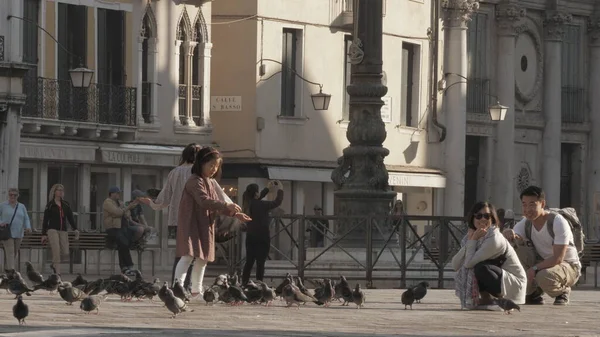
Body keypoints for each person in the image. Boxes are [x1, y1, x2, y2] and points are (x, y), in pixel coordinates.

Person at [139, 143, 241, 290]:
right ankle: (187, 286)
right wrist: (233, 210)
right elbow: (220, 197)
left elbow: (165, 197)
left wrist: (153, 204)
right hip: (198, 218)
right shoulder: (201, 177)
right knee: (194, 254)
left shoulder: (176, 172)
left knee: (183, 253)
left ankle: (181, 286)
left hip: (177, 218)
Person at [173, 147, 250, 298]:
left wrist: (235, 214)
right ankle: (177, 288)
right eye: (211, 165)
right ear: (201, 163)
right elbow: (205, 201)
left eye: (216, 166)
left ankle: (196, 291)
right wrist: (227, 206)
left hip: (205, 224)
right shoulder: (194, 181)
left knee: (203, 258)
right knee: (188, 255)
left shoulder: (210, 182)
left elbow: (217, 204)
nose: (214, 169)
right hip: (191, 223)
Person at [503, 186, 581, 305]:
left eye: (532, 204)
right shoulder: (526, 223)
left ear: (542, 204)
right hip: (542, 264)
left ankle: (562, 291)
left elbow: (558, 258)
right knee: (515, 248)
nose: (527, 209)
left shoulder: (557, 222)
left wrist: (533, 269)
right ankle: (534, 293)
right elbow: (514, 237)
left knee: (544, 276)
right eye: (524, 204)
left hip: (567, 266)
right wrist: (508, 233)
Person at [452, 201, 526, 310]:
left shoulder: (495, 238)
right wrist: (470, 241)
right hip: (501, 279)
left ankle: (500, 300)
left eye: (487, 216)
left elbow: (468, 263)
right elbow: (455, 264)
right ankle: (487, 298)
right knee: (477, 266)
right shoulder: (473, 237)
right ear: (472, 218)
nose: (483, 219)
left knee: (480, 268)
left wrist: (472, 241)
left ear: (492, 219)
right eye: (478, 216)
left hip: (514, 285)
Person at [241, 180, 284, 285]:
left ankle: (244, 283)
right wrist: (280, 190)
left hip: (250, 236)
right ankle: (259, 284)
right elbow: (276, 202)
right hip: (262, 237)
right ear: (256, 193)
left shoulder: (248, 203)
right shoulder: (261, 205)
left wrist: (267, 189)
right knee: (260, 263)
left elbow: (256, 200)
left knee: (249, 262)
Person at [41, 184, 79, 273]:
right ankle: (58, 273)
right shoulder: (50, 205)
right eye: (59, 190)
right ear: (54, 192)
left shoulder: (66, 204)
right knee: (56, 250)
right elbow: (46, 220)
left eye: (62, 190)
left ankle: (54, 264)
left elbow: (70, 217)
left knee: (65, 252)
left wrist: (75, 228)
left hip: (63, 230)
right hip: (52, 230)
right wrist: (43, 234)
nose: (61, 192)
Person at [102, 186, 139, 273]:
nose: (119, 195)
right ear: (112, 194)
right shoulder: (107, 202)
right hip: (112, 229)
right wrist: (126, 208)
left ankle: (126, 267)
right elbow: (117, 213)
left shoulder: (119, 203)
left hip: (121, 228)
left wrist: (126, 209)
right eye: (117, 193)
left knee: (124, 243)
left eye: (119, 193)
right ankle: (127, 266)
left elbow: (127, 215)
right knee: (123, 242)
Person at [0, 188, 32, 270]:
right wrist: (1, 222)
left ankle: (7, 269)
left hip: (18, 233)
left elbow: (26, 218)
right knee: (10, 252)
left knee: (14, 253)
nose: (13, 196)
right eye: (11, 195)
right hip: (7, 233)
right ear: (8, 195)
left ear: (18, 196)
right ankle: (12, 271)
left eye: (15, 195)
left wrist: (28, 227)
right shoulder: (3, 205)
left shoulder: (21, 206)